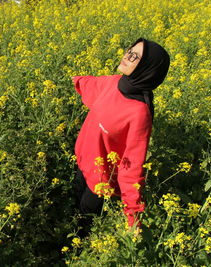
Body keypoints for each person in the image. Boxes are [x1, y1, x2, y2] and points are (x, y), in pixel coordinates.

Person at [72, 38, 170, 235]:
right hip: (82, 161)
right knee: (73, 200)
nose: (127, 56)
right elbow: (91, 85)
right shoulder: (115, 82)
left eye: (136, 57)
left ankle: (79, 248)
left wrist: (133, 215)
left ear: (148, 69)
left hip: (100, 179)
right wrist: (74, 79)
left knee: (85, 216)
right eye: (129, 51)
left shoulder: (139, 113)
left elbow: (132, 166)